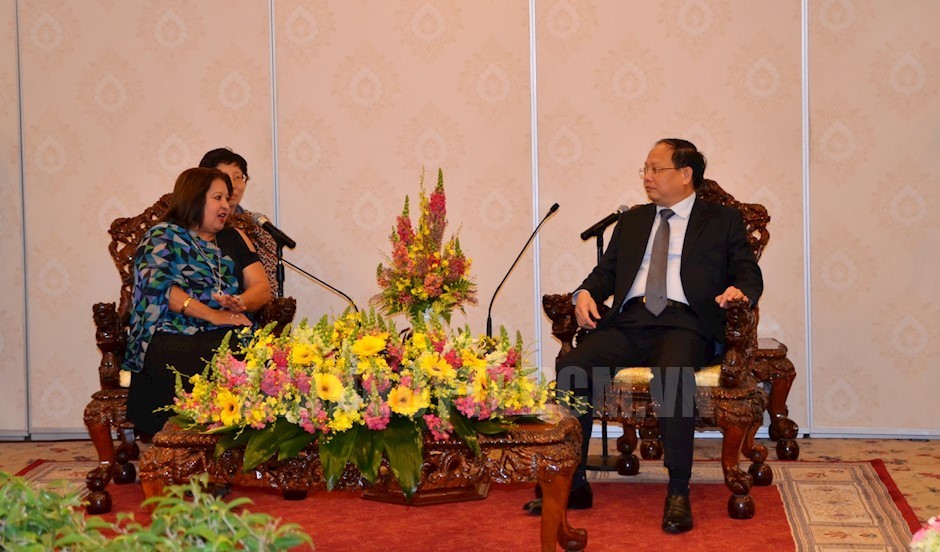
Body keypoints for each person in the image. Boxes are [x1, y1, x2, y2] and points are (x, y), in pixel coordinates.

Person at [524, 139, 763, 534]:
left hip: (686, 323)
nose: (647, 177)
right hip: (630, 322)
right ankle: (575, 482)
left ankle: (678, 489)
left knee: (673, 375)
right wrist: (585, 293)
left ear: (685, 175)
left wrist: (741, 292)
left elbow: (747, 272)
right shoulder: (634, 220)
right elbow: (606, 273)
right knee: (572, 366)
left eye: (656, 169)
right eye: (645, 170)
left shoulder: (720, 221)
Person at [124, 167, 272, 438]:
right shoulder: (161, 237)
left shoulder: (228, 241)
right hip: (170, 331)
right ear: (194, 199)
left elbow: (262, 289)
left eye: (227, 199)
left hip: (224, 327)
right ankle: (194, 431)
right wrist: (212, 315)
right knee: (219, 352)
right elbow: (160, 288)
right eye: (218, 198)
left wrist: (237, 303)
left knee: (258, 350)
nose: (226, 205)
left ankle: (246, 434)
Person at [198, 147, 279, 297]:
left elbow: (269, 285)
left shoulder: (258, 226)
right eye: (225, 177)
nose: (233, 185)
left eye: (238, 177)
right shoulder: (191, 225)